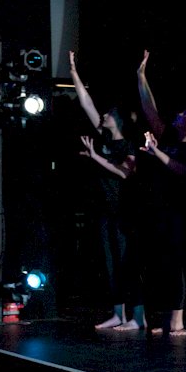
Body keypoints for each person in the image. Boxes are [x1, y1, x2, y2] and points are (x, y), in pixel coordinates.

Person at [134, 50, 186, 336]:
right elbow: (150, 111)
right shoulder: (169, 139)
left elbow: (184, 170)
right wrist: (141, 77)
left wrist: (156, 153)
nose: (178, 116)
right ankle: (174, 319)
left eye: (184, 115)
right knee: (170, 263)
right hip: (168, 210)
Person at [69, 52, 141, 331]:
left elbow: (124, 171)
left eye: (109, 114)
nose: (104, 116)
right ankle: (118, 313)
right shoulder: (102, 138)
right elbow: (87, 103)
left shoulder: (129, 146)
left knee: (126, 261)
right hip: (104, 209)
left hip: (123, 210)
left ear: (118, 119)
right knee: (110, 261)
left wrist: (95, 157)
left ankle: (137, 316)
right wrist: (74, 72)